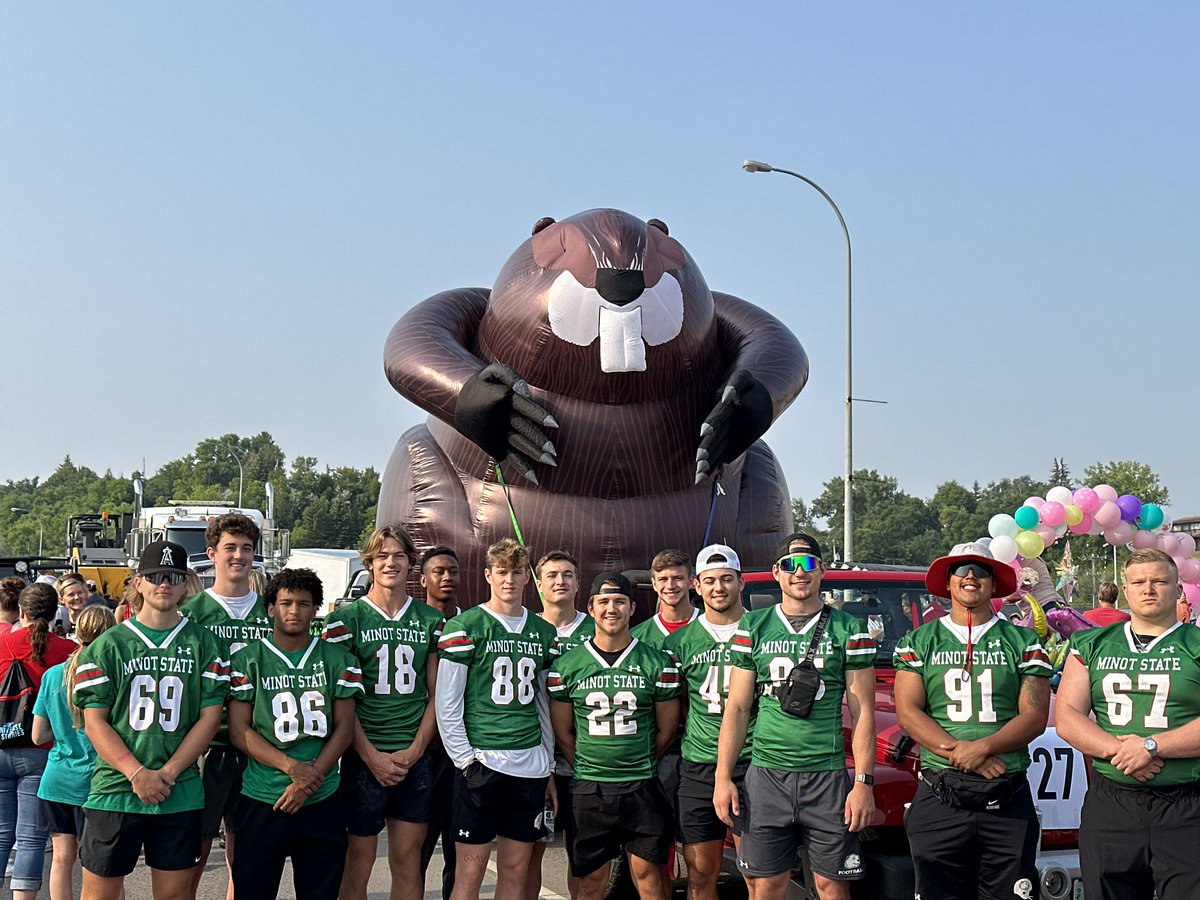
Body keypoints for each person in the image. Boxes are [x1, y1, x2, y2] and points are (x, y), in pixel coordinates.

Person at [714, 532, 876, 900]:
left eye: (808, 564)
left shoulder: (848, 629)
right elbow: (737, 708)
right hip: (767, 775)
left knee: (831, 886)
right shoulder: (753, 626)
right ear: (776, 572)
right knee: (768, 885)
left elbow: (863, 709)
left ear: (822, 571)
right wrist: (723, 777)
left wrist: (864, 783)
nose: (799, 572)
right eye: (790, 564)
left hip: (826, 774)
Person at [893, 541, 1051, 900]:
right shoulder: (919, 640)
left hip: (1005, 793)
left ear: (994, 584)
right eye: (959, 569)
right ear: (947, 583)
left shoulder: (1021, 640)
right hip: (941, 790)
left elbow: (1035, 715)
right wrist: (960, 753)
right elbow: (908, 712)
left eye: (980, 570)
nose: (969, 576)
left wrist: (982, 747)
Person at [73, 540, 229, 900]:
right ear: (138, 583)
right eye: (155, 576)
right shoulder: (109, 645)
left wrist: (168, 773)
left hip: (179, 791)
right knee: (99, 896)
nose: (165, 583)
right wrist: (136, 773)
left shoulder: (203, 643)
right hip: (115, 789)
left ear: (186, 584)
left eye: (174, 576)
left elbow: (209, 718)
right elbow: (95, 722)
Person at [1057, 548, 1200, 899]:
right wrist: (1121, 751)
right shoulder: (1091, 643)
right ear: (1126, 588)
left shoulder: (1195, 644)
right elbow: (1067, 716)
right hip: (1113, 802)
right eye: (1139, 582)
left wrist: (1151, 746)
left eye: (1160, 581)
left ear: (1178, 588)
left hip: (1187, 803)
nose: (1148, 589)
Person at [322, 526, 444, 900]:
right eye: (382, 556)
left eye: (399, 556)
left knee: (408, 858)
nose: (391, 562)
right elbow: (340, 702)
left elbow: (438, 696)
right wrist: (371, 756)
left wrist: (415, 750)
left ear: (411, 563)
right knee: (359, 857)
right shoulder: (346, 621)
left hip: (414, 756)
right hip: (363, 755)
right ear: (369, 563)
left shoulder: (430, 620)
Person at [227, 567, 363, 900]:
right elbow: (238, 730)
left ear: (316, 608)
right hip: (264, 796)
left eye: (303, 603)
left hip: (323, 797)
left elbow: (345, 729)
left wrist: (311, 777)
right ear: (270, 607)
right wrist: (292, 768)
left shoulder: (337, 660)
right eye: (285, 603)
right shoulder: (247, 660)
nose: (294, 611)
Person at [436, 537, 557, 900]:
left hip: (530, 765)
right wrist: (466, 762)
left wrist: (547, 763)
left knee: (515, 872)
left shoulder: (543, 632)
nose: (509, 580)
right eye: (502, 572)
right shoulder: (467, 625)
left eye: (516, 572)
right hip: (484, 762)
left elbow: (542, 703)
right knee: (469, 874)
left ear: (526, 578)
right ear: (488, 575)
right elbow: (447, 701)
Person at [548, 573, 681, 900]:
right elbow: (563, 732)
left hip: (642, 785)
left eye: (620, 601)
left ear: (632, 607)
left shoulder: (656, 663)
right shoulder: (567, 665)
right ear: (591, 608)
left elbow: (666, 730)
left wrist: (639, 760)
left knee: (649, 875)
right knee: (591, 881)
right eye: (604, 602)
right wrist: (589, 763)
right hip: (591, 787)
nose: (612, 609)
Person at [180, 513, 274, 900]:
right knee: (196, 846)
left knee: (247, 846)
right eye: (230, 548)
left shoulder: (271, 612)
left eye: (247, 548)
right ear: (212, 554)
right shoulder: (192, 613)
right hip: (208, 745)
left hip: (258, 744)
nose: (239, 556)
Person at [663, 544, 755, 900]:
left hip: (752, 762)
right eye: (710, 581)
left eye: (727, 579)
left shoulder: (762, 630)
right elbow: (678, 706)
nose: (719, 588)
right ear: (696, 586)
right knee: (701, 874)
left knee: (757, 874)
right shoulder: (679, 642)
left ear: (741, 583)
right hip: (700, 764)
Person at [32, 604, 117, 900]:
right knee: (102, 868)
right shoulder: (112, 674)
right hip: (98, 781)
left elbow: (38, 734)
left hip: (57, 778)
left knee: (60, 859)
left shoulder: (54, 675)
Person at [0, 583, 77, 900]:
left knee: (2, 833)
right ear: (55, 612)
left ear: (21, 612)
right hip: (40, 750)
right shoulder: (67, 651)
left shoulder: (3, 642)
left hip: (1, 743)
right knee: (31, 837)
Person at [529, 550, 593, 900]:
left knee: (581, 857)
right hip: (537, 759)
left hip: (584, 758)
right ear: (539, 584)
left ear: (578, 583)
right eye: (552, 575)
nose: (560, 581)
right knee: (529, 853)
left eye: (567, 574)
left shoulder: (594, 627)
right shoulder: (527, 628)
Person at [418, 545, 462, 900]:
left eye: (452, 571)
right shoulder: (415, 624)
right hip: (425, 753)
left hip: (462, 755)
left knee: (460, 850)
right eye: (438, 572)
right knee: (415, 849)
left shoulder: (472, 623)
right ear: (423, 580)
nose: (446, 578)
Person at [53, 573, 91, 638]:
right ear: (62, 599)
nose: (77, 597)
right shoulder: (57, 620)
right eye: (71, 595)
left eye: (80, 593)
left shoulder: (92, 619)